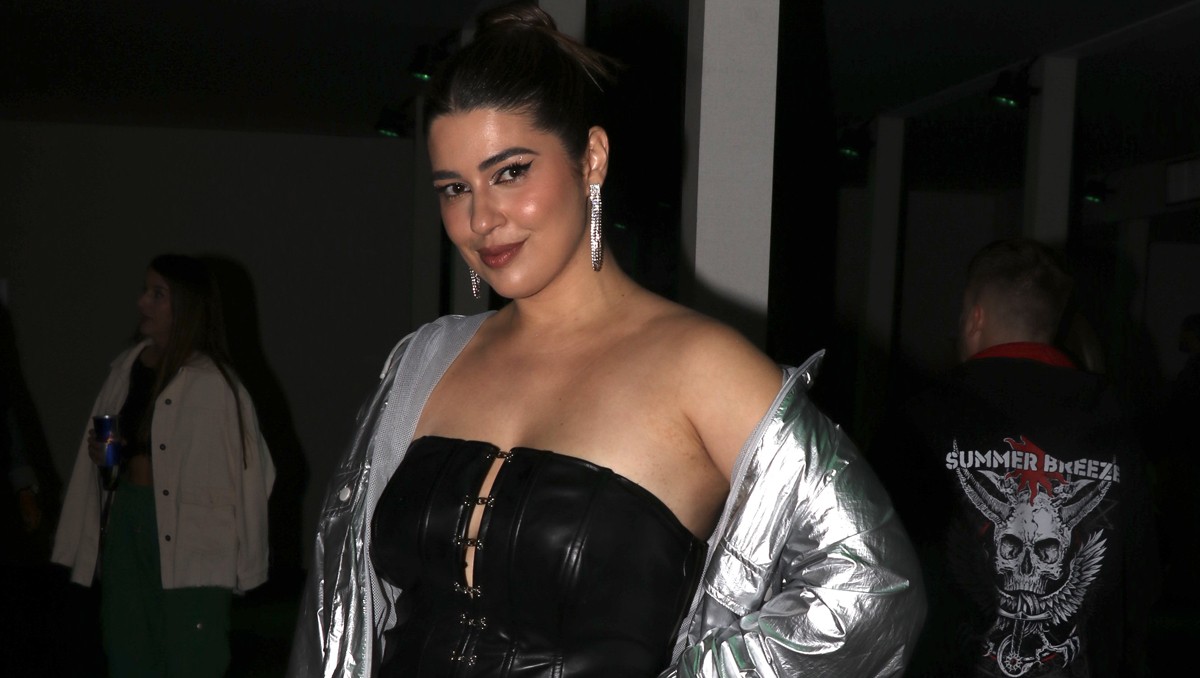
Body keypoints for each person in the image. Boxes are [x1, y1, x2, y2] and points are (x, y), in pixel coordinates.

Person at [288, 3, 923, 677]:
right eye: (454, 188)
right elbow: (339, 603)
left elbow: (872, 587)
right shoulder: (425, 361)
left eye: (510, 172)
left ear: (591, 158)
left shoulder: (700, 365)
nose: (480, 217)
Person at [871, 238, 1157, 677]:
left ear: (975, 317)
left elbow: (874, 570)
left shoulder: (918, 418)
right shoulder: (1120, 423)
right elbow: (1142, 579)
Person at [53, 254, 275, 677]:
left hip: (191, 540)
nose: (143, 302)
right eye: (145, 291)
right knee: (129, 649)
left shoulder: (215, 384)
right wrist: (108, 460)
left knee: (191, 656)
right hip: (128, 520)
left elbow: (256, 474)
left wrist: (240, 552)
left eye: (158, 295)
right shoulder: (126, 369)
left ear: (187, 306)